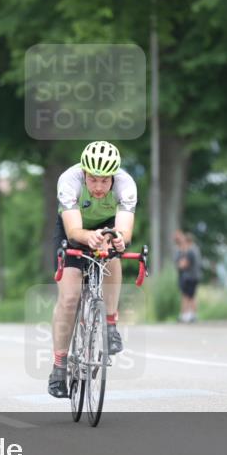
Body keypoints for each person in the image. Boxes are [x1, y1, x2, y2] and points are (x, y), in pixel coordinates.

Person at [48, 141, 137, 399]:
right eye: (93, 180)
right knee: (69, 298)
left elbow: (125, 228)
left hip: (107, 225)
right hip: (72, 228)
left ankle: (110, 324)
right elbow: (74, 231)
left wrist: (119, 239)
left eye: (104, 181)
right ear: (84, 174)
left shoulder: (126, 184)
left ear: (114, 178)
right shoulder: (69, 180)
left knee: (112, 257)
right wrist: (90, 238)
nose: (98, 187)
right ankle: (59, 366)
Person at [173, 230, 201, 323]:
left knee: (186, 296)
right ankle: (191, 315)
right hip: (194, 276)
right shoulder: (195, 249)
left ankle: (186, 315)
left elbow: (184, 264)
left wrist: (179, 265)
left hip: (189, 277)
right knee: (192, 296)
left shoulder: (190, 251)